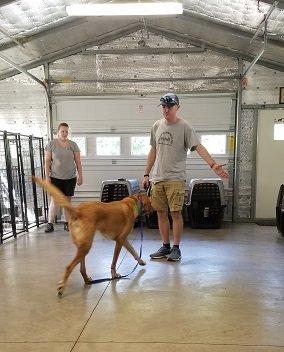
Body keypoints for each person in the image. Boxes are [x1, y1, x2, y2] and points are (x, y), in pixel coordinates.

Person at [142, 93, 229, 261]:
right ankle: (165, 246)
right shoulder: (156, 126)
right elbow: (153, 151)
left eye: (170, 106)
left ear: (177, 107)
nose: (166, 110)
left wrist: (213, 164)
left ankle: (176, 248)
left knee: (175, 213)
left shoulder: (185, 126)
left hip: (175, 178)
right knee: (161, 213)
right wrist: (146, 174)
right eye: (164, 107)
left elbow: (198, 146)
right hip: (158, 178)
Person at [44, 122, 83, 233]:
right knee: (55, 201)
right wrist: (47, 177)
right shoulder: (51, 144)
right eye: (63, 131)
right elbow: (47, 162)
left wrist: (80, 177)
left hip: (70, 177)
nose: (65, 133)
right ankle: (50, 224)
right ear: (58, 132)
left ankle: (67, 223)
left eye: (66, 131)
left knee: (67, 201)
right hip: (55, 177)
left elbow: (78, 162)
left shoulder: (73, 145)